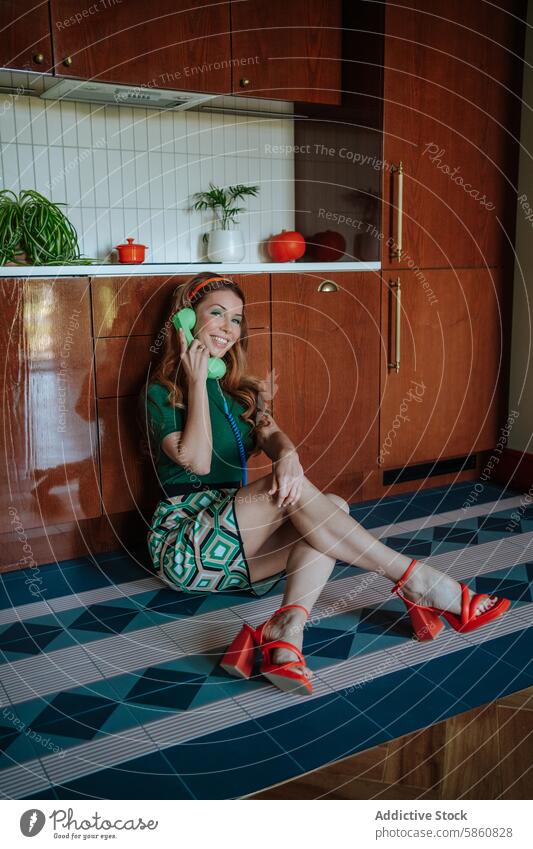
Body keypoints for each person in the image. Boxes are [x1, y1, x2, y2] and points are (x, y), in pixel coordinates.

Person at [140, 272, 511, 697]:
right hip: (188, 546)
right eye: (217, 314)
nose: (229, 328)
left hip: (243, 553)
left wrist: (288, 454)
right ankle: (418, 581)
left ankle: (287, 627)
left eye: (237, 320)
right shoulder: (162, 393)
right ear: (186, 320)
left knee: (334, 504)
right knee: (290, 497)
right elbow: (200, 462)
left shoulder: (242, 393)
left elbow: (272, 434)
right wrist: (197, 379)